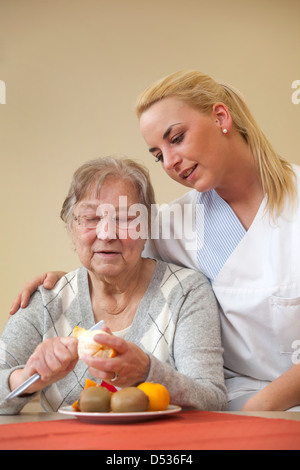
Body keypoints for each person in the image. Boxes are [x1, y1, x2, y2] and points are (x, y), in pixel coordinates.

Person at [11, 70, 300, 412]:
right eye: (158, 155)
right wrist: (63, 286)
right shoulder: (170, 222)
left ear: (221, 117)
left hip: (260, 408)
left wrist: (255, 414)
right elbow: (113, 257)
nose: (171, 162)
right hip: (235, 404)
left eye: (176, 138)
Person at [0, 156, 226, 414]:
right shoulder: (46, 299)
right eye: (92, 218)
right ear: (71, 228)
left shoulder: (185, 291)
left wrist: (146, 371)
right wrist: (26, 379)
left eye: (125, 219)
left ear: (147, 226)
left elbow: (212, 400)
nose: (107, 233)